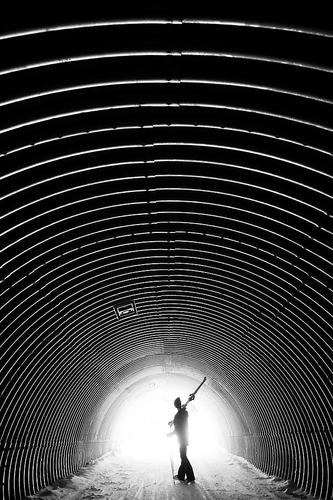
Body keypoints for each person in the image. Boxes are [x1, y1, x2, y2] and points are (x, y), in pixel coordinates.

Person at [167, 397, 195, 484]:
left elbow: (178, 429)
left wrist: (170, 435)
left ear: (175, 405)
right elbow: (179, 422)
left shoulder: (178, 415)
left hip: (182, 439)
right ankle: (185, 476)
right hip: (185, 438)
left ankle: (185, 477)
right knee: (183, 457)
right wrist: (173, 421)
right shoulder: (183, 413)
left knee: (183, 457)